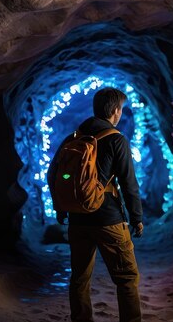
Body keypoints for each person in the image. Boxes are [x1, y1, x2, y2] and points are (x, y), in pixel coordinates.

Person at [48, 87, 144, 322]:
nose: (121, 113)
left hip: (78, 218)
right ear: (114, 111)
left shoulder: (73, 138)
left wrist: (61, 208)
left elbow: (55, 174)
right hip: (108, 219)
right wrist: (136, 217)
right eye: (120, 109)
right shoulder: (116, 139)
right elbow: (129, 183)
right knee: (127, 279)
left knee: (79, 278)